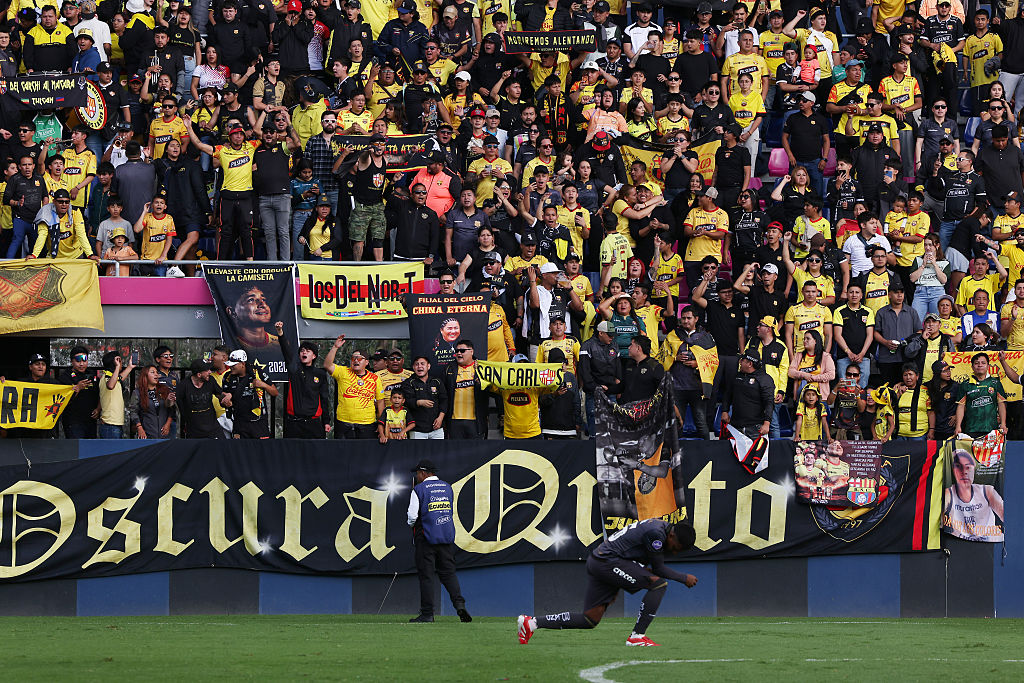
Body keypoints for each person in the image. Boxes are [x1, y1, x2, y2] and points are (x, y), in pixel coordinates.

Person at [517, 519, 697, 647]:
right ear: (672, 535)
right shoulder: (656, 534)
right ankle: (637, 636)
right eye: (675, 548)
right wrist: (683, 578)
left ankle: (531, 623)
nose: (673, 552)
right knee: (658, 585)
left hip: (602, 560)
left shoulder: (660, 528)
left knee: (589, 619)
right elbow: (658, 568)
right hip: (608, 562)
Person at [408, 459, 472, 624]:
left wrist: (412, 525)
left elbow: (412, 516)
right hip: (445, 535)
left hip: (426, 537)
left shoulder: (419, 489)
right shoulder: (447, 487)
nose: (417, 476)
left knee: (427, 576)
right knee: (449, 574)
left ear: (423, 473)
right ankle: (459, 604)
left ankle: (427, 614)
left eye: (417, 473)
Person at [274, 321, 331, 439]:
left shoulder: (320, 374)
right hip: (294, 423)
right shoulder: (294, 369)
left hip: (313, 423)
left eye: (308, 351)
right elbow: (287, 353)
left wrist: (326, 421)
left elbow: (324, 398)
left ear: (314, 356)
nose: (304, 352)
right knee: (293, 454)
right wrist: (280, 333)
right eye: (302, 351)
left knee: (315, 454)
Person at [323, 335, 383, 439]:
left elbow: (381, 402)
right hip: (344, 424)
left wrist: (381, 424)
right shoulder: (343, 372)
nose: (356, 360)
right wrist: (335, 347)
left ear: (367, 362)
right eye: (353, 358)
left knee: (364, 454)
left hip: (367, 425)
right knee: (344, 454)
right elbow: (327, 365)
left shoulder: (374, 378)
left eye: (359, 358)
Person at [942, 449, 1004, 542]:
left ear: (973, 469)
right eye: (958, 466)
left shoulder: (986, 490)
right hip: (961, 543)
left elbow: (1006, 515)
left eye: (968, 467)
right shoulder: (949, 493)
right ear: (952, 470)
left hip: (989, 545)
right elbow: (939, 522)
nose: (964, 471)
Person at [223, 349, 277, 439]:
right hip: (239, 423)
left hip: (258, 422)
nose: (230, 367)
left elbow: (274, 392)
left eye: (234, 365)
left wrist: (262, 384)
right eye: (230, 365)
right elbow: (223, 401)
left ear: (243, 364)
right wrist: (226, 401)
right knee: (240, 451)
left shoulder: (256, 372)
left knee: (261, 450)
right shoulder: (228, 377)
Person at [443, 338, 488, 439]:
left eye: (462, 351)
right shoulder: (449, 368)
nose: (459, 353)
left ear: (471, 351)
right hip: (454, 421)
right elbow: (443, 395)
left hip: (475, 421)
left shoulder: (481, 368)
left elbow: (491, 389)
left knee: (476, 452)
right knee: (455, 452)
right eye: (457, 351)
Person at [721, 352, 773, 438]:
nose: (740, 363)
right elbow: (728, 394)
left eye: (742, 360)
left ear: (750, 364)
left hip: (755, 427)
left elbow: (769, 403)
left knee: (755, 451)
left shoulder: (764, 379)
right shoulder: (736, 376)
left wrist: (767, 423)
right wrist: (724, 410)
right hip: (735, 426)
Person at [954, 352, 1006, 438]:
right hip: (971, 429)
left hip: (991, 429)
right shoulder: (965, 384)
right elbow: (961, 406)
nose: (980, 365)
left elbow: (1001, 404)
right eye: (976, 363)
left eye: (983, 363)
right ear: (972, 366)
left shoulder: (995, 382)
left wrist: (1003, 424)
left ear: (988, 366)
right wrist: (958, 426)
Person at [178, 358, 232, 438]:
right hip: (194, 430)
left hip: (213, 428)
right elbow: (178, 405)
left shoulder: (210, 380)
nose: (210, 372)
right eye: (207, 370)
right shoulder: (184, 385)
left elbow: (219, 394)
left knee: (221, 447)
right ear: (199, 374)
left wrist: (227, 397)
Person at [401, 356, 448, 439]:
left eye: (422, 364)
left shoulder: (437, 381)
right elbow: (406, 401)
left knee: (439, 452)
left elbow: (444, 401)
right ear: (413, 367)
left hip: (437, 429)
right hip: (417, 429)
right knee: (418, 452)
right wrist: (419, 402)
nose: (419, 366)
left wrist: (440, 418)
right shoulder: (408, 383)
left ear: (428, 366)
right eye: (416, 364)